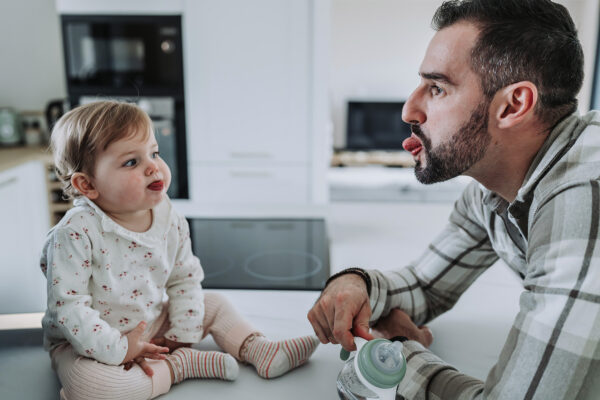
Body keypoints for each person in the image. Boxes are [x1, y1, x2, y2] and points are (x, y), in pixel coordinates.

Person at [308, 0, 600, 398]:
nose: (409, 109)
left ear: (513, 105)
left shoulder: (585, 194)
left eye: (437, 88)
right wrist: (356, 284)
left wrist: (398, 355)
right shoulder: (494, 190)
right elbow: (426, 287)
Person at [41, 100, 319, 400]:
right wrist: (120, 349)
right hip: (85, 342)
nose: (153, 166)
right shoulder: (75, 233)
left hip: (149, 322)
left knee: (213, 304)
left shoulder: (168, 217)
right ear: (87, 185)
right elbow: (70, 309)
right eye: (131, 162)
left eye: (154, 152)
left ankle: (258, 348)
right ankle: (178, 368)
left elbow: (183, 277)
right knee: (92, 389)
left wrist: (183, 334)